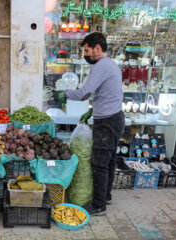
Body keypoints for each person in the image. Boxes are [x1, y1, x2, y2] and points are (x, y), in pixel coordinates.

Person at [59, 32, 125, 216]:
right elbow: (100, 93)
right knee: (109, 160)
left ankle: (98, 206)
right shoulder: (110, 64)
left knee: (99, 163)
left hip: (107, 122)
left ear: (97, 48)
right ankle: (106, 197)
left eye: (87, 51)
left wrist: (64, 93)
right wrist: (93, 109)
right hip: (114, 118)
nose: (85, 55)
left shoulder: (101, 66)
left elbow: (83, 93)